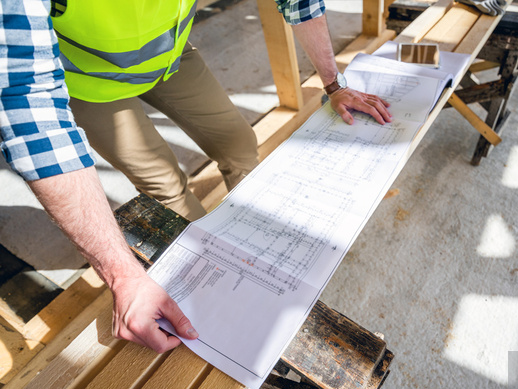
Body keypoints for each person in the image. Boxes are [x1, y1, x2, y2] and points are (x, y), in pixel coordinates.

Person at [0, 0, 390, 353]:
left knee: (238, 141)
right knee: (166, 185)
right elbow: (27, 106)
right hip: (91, 82)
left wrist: (334, 84)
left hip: (170, 57)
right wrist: (122, 276)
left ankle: (257, 250)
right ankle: (218, 282)